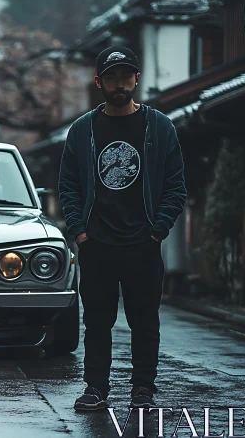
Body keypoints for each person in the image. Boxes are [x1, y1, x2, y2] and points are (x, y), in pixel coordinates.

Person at [58, 45, 186, 411]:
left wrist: (157, 230)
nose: (119, 84)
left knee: (144, 322)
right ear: (99, 81)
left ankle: (143, 389)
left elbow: (176, 186)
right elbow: (69, 184)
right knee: (97, 323)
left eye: (125, 76)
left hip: (142, 243)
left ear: (136, 79)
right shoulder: (83, 130)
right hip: (97, 243)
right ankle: (95, 388)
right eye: (111, 77)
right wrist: (80, 231)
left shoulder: (159, 127)